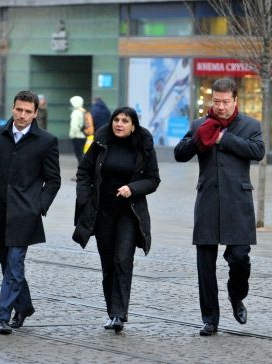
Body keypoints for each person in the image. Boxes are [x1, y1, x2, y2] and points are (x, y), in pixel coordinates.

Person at [174, 77, 264, 336]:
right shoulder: (200, 124)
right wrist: (198, 139)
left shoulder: (250, 125)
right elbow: (180, 154)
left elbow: (257, 151)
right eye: (216, 101)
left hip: (238, 202)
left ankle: (236, 296)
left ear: (235, 100)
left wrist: (223, 138)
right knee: (205, 264)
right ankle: (210, 318)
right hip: (208, 201)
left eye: (225, 102)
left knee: (239, 259)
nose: (221, 106)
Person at [0, 90, 61, 335]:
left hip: (25, 215)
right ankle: (25, 306)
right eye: (18, 110)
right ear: (13, 108)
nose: (22, 115)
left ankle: (3, 315)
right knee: (7, 265)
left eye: (27, 112)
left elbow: (53, 180)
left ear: (35, 114)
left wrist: (39, 207)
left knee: (14, 264)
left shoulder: (46, 141)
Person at [72, 106, 160, 333]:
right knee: (108, 263)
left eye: (125, 121)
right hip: (102, 213)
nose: (119, 124)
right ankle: (112, 312)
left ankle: (120, 314)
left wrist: (133, 188)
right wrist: (85, 197)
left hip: (129, 214)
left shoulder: (143, 146)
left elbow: (153, 179)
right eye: (116, 120)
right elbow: (83, 172)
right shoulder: (101, 142)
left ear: (133, 126)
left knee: (122, 259)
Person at [68, 95, 87, 165]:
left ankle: (82, 171)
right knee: (81, 154)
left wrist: (72, 135)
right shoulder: (83, 111)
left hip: (77, 136)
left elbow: (74, 126)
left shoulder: (75, 113)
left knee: (79, 155)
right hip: (83, 135)